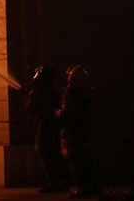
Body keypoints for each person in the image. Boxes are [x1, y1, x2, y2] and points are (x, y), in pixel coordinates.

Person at [24, 65, 68, 193]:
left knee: (44, 151)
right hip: (52, 124)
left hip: (44, 124)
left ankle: (54, 183)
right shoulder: (52, 90)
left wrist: (29, 98)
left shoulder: (40, 91)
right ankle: (63, 181)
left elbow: (31, 107)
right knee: (54, 153)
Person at [57, 65, 97, 198]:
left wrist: (58, 114)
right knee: (85, 160)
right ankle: (90, 187)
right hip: (85, 130)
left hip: (73, 131)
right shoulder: (88, 92)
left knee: (76, 161)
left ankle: (81, 189)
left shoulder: (71, 94)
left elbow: (67, 113)